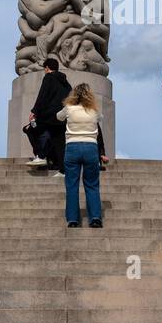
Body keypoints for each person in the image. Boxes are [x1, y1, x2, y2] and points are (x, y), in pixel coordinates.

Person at [57, 83, 107, 227]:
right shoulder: (94, 111)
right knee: (92, 184)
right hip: (91, 148)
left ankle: (73, 220)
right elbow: (100, 118)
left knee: (72, 185)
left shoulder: (69, 109)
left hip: (72, 147)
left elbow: (58, 117)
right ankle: (95, 218)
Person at [30, 58, 71, 176]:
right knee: (58, 141)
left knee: (35, 131)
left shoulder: (48, 77)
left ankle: (41, 156)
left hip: (49, 115)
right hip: (62, 115)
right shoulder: (66, 82)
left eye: (44, 68)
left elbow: (43, 95)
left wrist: (34, 111)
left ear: (47, 68)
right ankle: (62, 169)